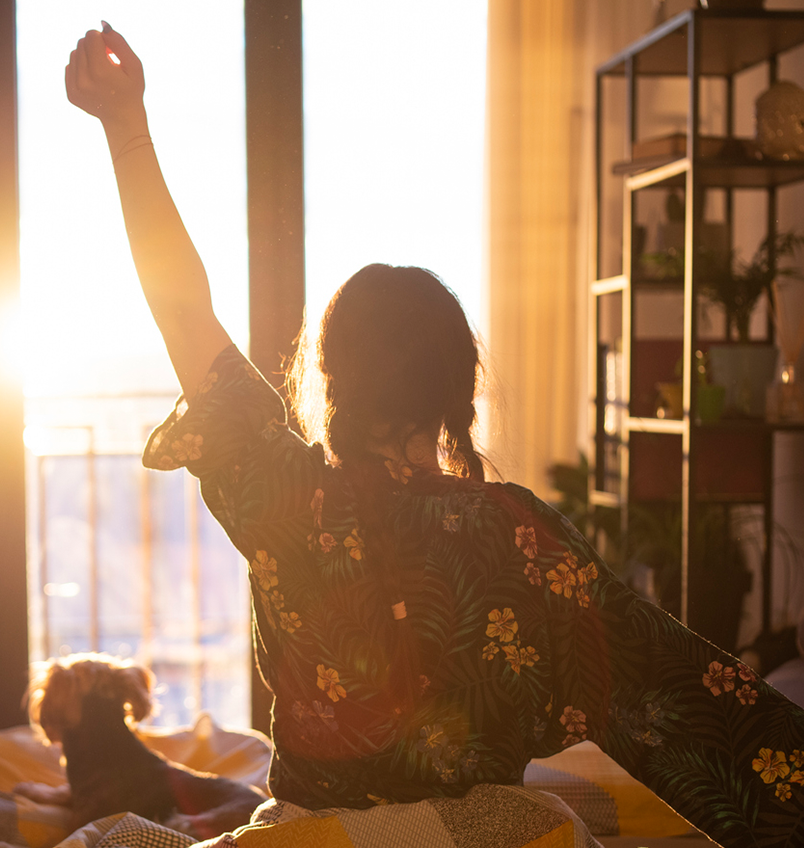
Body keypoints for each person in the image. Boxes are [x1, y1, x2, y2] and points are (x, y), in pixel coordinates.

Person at [65, 24, 804, 847]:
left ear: (334, 379)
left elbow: (182, 310)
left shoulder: (288, 496)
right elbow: (694, 702)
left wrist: (125, 125)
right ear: (457, 388)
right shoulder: (523, 535)